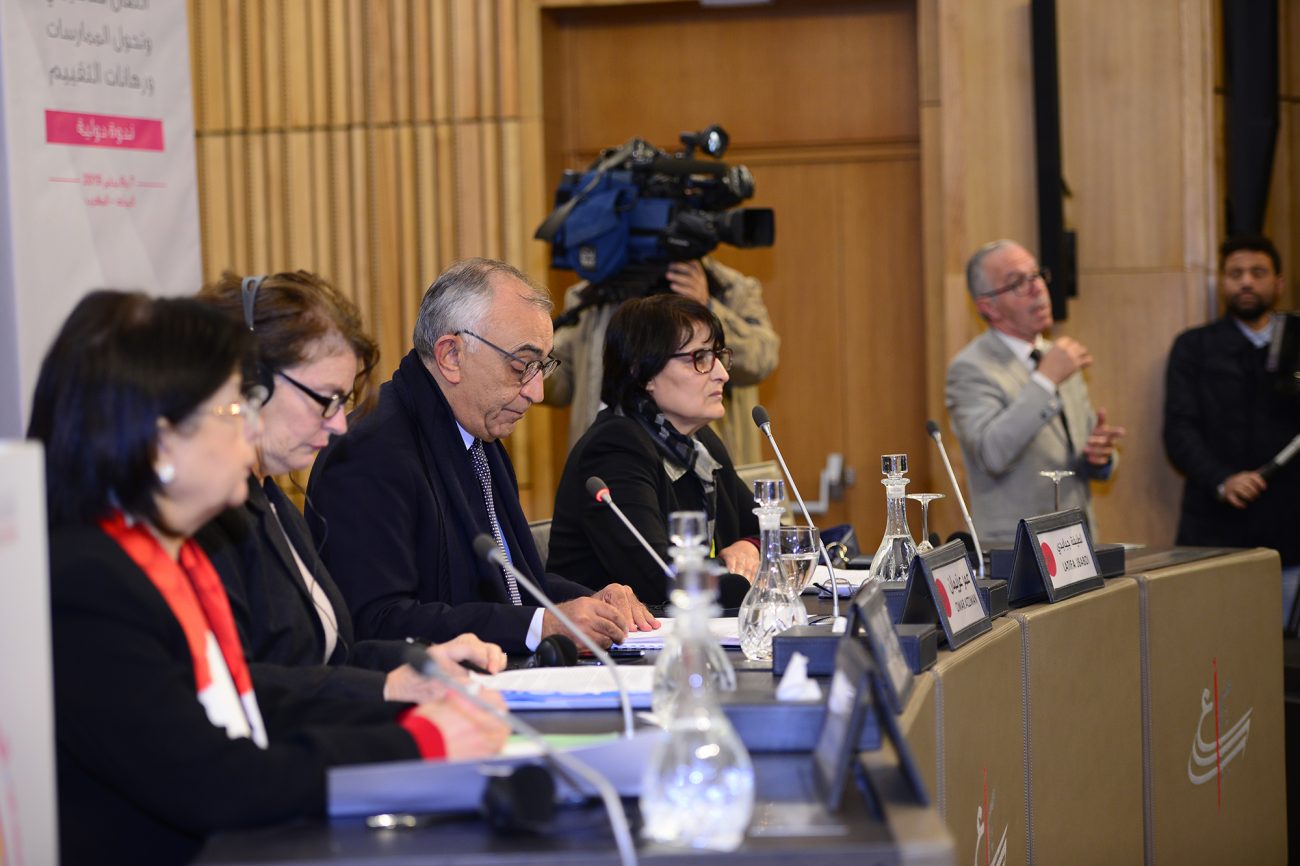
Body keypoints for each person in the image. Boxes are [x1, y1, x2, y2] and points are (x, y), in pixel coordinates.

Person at [27, 291, 508, 866]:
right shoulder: (89, 580)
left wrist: (401, 703)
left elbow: (253, 703)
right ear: (160, 442)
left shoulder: (161, 557)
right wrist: (415, 742)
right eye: (234, 412)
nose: (250, 431)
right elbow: (210, 777)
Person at [307, 258, 657, 654]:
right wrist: (540, 626)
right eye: (521, 366)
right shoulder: (369, 450)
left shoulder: (475, 432)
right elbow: (377, 622)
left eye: (542, 366)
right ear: (451, 356)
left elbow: (512, 585)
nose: (537, 392)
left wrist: (593, 601)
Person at [194, 271, 506, 703]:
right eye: (326, 399)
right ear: (249, 385)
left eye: (342, 403)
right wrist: (387, 688)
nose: (338, 424)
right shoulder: (205, 520)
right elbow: (238, 689)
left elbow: (330, 658)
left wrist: (423, 661)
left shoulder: (275, 504)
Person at [548, 294, 761, 605]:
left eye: (718, 356)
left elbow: (774, 534)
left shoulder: (699, 442)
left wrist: (751, 547)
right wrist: (746, 577)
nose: (722, 374)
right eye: (700, 358)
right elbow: (660, 577)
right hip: (613, 634)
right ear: (643, 373)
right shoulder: (615, 448)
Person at [944, 239, 1126, 547]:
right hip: (1016, 550)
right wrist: (1045, 380)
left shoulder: (1057, 357)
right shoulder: (971, 368)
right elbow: (992, 455)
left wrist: (1099, 458)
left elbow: (1076, 452)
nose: (1038, 288)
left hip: (1077, 544)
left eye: (1037, 275)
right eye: (1018, 283)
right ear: (988, 307)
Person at [1164, 234, 1300, 625]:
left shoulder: (1296, 345)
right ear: (1222, 282)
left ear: (1279, 282)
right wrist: (1223, 480)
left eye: (1258, 272)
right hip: (1212, 531)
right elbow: (1179, 430)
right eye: (1235, 273)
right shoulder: (1194, 347)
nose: (1246, 282)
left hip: (1289, 534)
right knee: (1211, 643)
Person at [545, 256, 780, 465]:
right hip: (609, 458)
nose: (721, 373)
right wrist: (530, 361)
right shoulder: (594, 292)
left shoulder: (729, 288)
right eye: (700, 357)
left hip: (710, 454)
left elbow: (762, 359)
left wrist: (705, 309)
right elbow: (560, 381)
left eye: (711, 355)